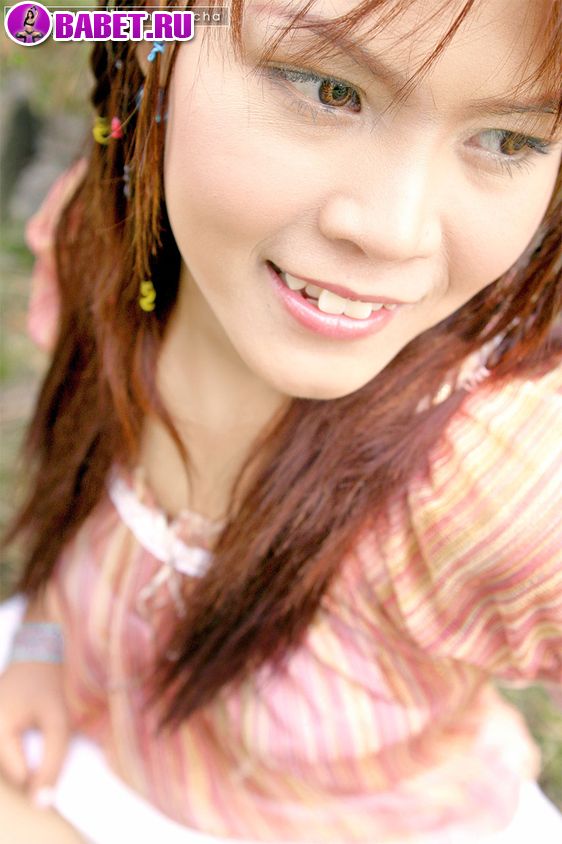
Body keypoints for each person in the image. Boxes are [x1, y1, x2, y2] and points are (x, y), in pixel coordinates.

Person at [0, 0, 561, 841]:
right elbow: (80, 472)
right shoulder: (105, 246)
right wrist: (43, 648)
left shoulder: (505, 479)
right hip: (89, 741)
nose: (395, 232)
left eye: (509, 140)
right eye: (328, 89)